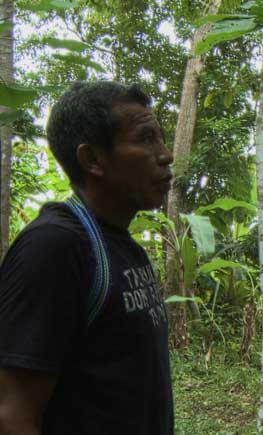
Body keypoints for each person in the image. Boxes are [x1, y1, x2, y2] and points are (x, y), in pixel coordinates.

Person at [0, 81, 175, 435]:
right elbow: (14, 414)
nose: (165, 153)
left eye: (160, 137)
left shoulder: (124, 246)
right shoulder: (54, 247)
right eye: (145, 139)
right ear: (92, 159)